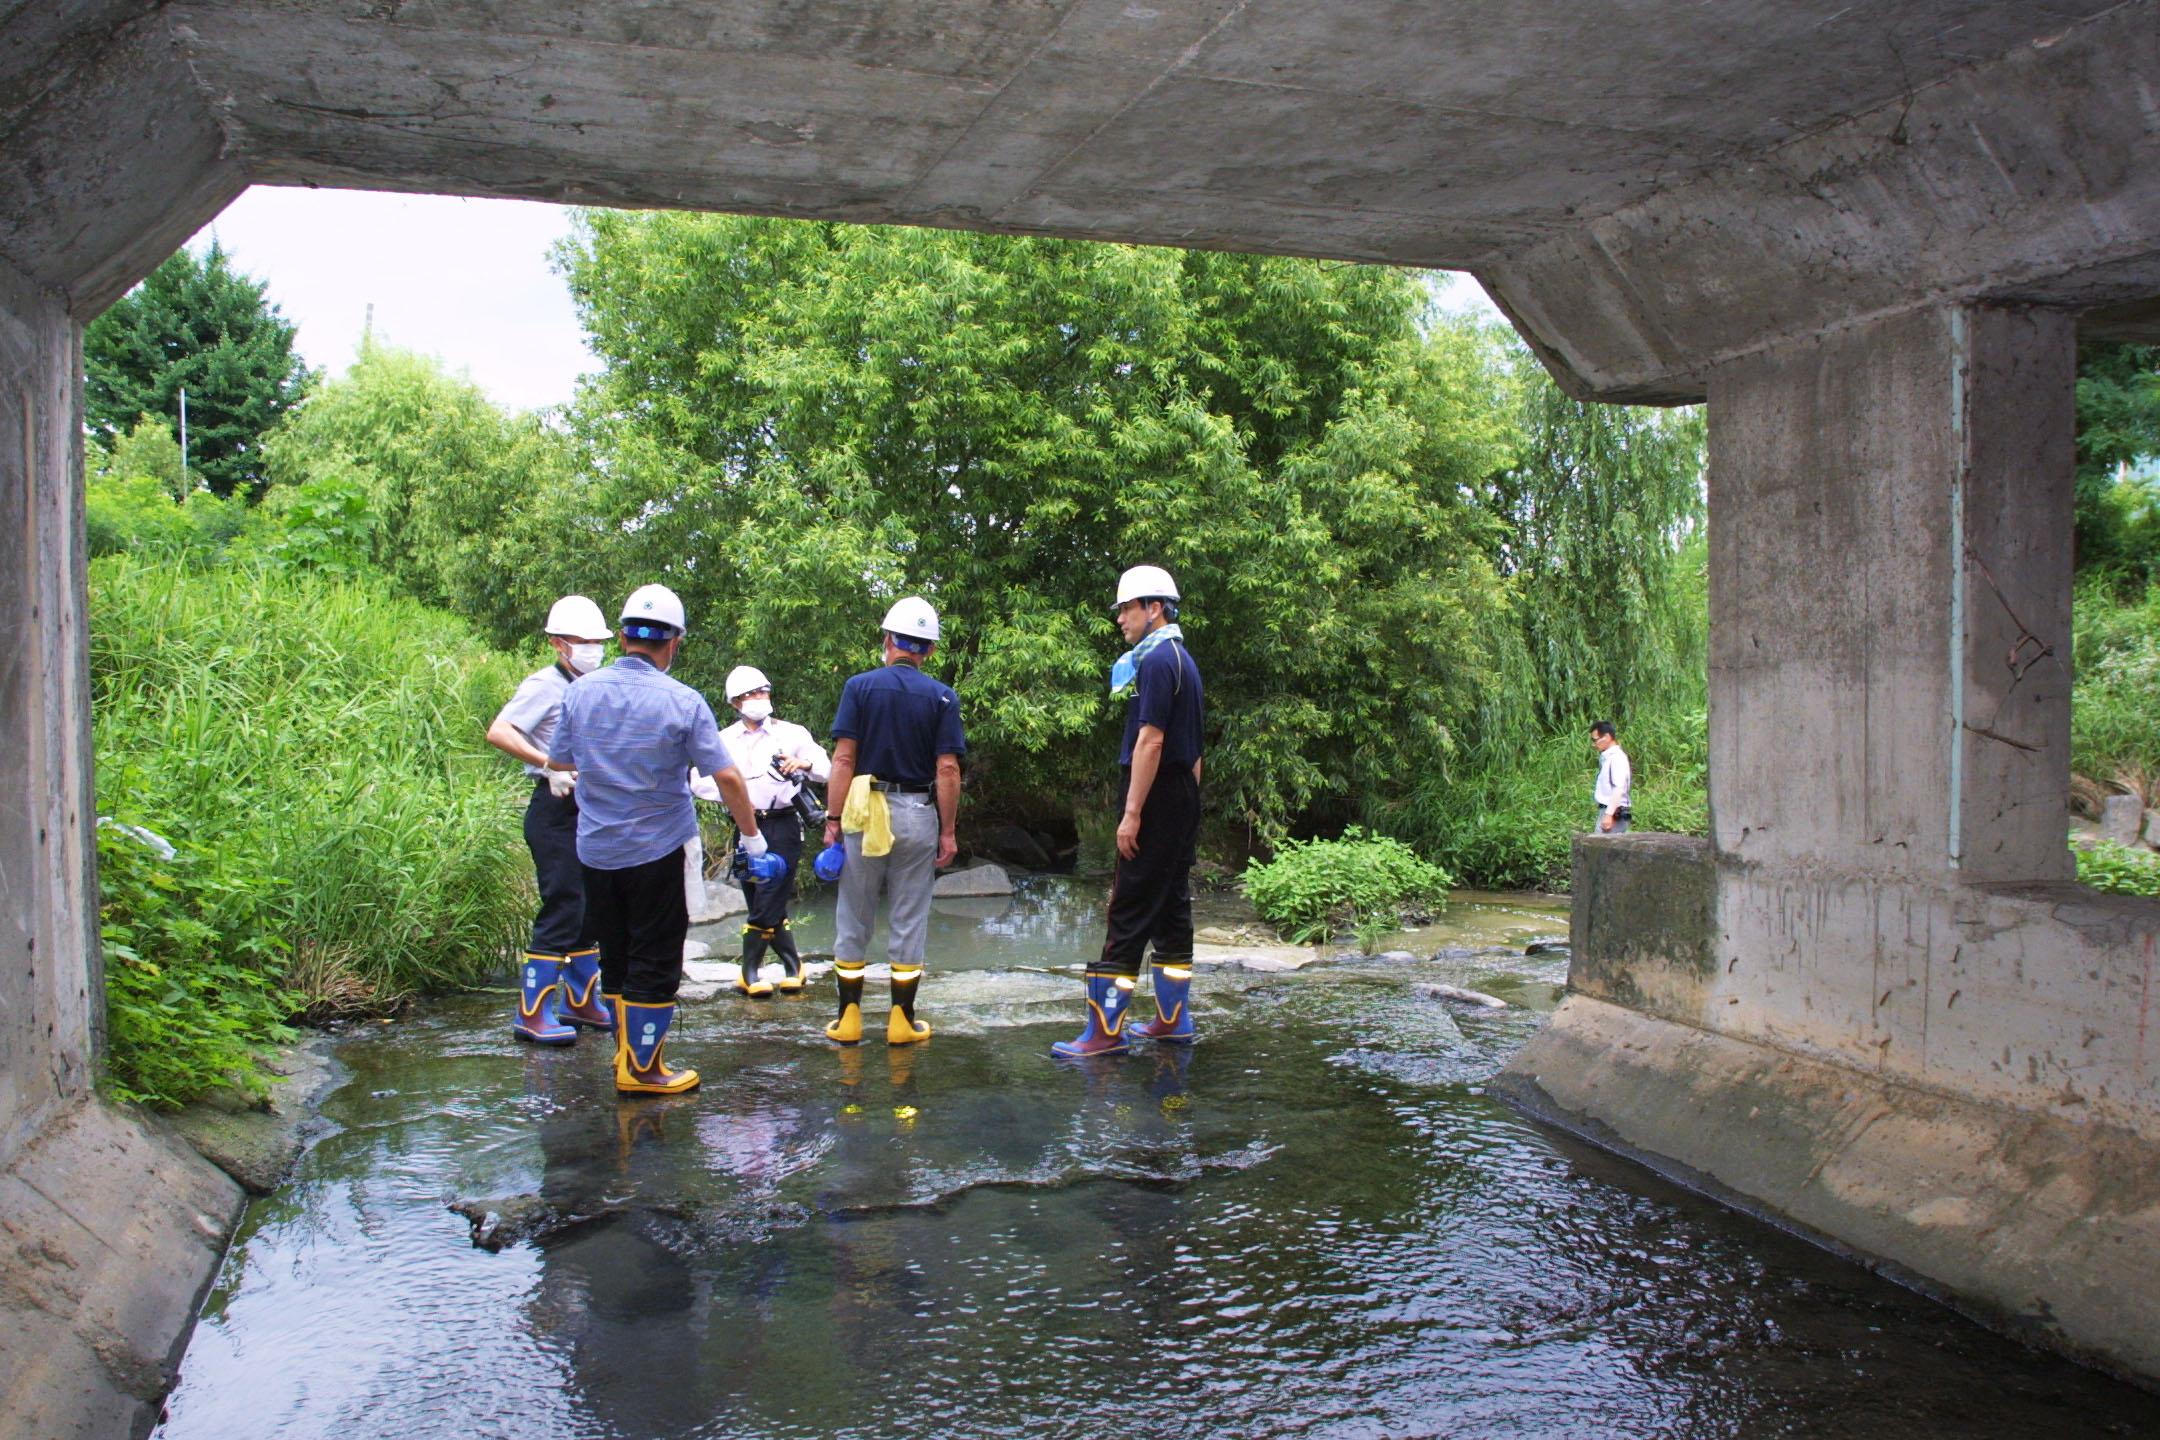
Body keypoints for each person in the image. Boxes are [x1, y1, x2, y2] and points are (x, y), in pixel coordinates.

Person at [548, 583, 771, 1095]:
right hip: (656, 850)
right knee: (656, 958)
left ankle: (626, 1056)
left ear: (624, 637)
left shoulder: (579, 692)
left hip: (596, 851)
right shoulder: (683, 701)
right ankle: (644, 1072)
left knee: (617, 956)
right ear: (673, 643)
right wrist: (752, 839)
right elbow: (730, 779)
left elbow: (560, 763)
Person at [1056, 565, 1205, 1058]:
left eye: (1126, 608)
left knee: (1129, 905)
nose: (1120, 618)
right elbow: (1197, 754)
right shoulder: (1185, 660)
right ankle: (1171, 1020)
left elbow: (1151, 740)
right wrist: (1189, 811)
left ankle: (1104, 1033)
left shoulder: (1158, 662)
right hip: (1182, 794)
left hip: (1157, 794)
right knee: (1171, 907)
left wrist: (1133, 813)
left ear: (1153, 608)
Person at [818, 597, 965, 1047]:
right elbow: (947, 770)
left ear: (887, 641)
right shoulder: (943, 696)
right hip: (917, 812)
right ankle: (902, 1021)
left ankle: (849, 1019)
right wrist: (947, 830)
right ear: (929, 651)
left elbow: (844, 758)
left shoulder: (859, 688)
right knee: (909, 915)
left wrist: (833, 819)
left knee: (854, 913)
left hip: (865, 812)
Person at [487, 594, 617, 1046]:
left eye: (598, 641)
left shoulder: (596, 684)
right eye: (583, 641)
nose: (593, 648)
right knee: (563, 903)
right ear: (559, 644)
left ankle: (581, 1001)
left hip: (591, 809)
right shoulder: (545, 684)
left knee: (590, 910)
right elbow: (500, 732)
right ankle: (531, 1012)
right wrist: (549, 764)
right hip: (555, 810)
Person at [714, 664, 830, 998]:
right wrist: (732, 795)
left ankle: (749, 971)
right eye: (750, 694)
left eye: (762, 692)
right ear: (736, 702)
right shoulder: (724, 740)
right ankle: (795, 966)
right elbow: (700, 779)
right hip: (745, 823)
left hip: (783, 823)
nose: (758, 699)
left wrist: (803, 764)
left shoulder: (791, 733)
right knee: (758, 896)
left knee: (770, 894)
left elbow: (827, 768)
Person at [1591, 719, 1632, 834]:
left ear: (1607, 737)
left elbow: (1618, 788)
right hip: (1609, 810)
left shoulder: (1616, 758)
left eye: (1595, 740)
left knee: (1601, 849)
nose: (1594, 744)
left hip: (1613, 812)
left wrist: (1609, 815)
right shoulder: (1608, 757)